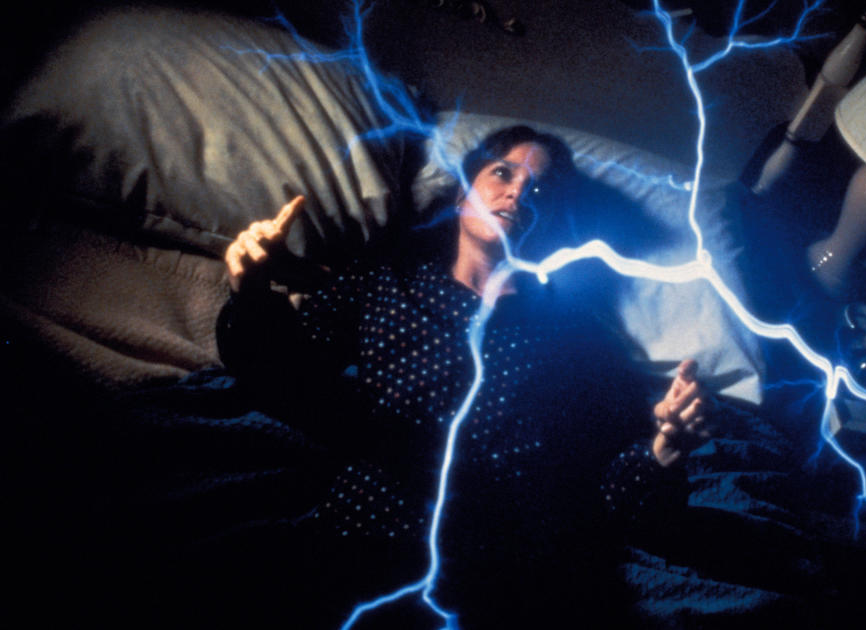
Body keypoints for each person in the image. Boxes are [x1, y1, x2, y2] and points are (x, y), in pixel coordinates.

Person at [218, 126, 713, 627]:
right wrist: (252, 295)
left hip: (503, 573)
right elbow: (285, 377)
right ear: (462, 193)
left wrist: (665, 447)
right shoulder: (386, 279)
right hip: (367, 538)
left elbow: (601, 488)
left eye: (539, 190)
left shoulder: (575, 338)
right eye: (502, 173)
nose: (518, 191)